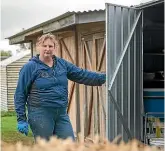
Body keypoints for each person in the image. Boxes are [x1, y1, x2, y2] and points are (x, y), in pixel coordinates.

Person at [14, 33, 106, 141]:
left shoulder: (62, 64)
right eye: (44, 46)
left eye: (50, 46)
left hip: (61, 113)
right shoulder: (30, 67)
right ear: (38, 47)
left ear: (55, 48)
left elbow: (81, 74)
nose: (47, 49)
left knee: (69, 144)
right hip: (40, 114)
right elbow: (20, 94)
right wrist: (21, 119)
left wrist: (104, 78)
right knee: (46, 148)